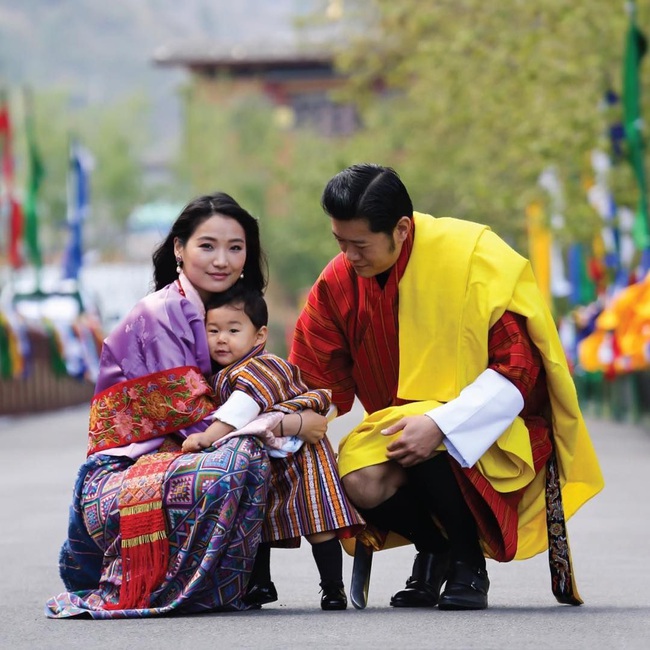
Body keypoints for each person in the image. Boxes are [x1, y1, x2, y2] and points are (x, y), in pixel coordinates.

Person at [289, 163, 604, 611]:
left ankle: (467, 561)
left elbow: (517, 369)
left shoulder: (471, 257)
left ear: (401, 229)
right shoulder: (338, 281)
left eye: (359, 244)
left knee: (426, 435)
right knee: (355, 480)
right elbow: (314, 380)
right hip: (398, 435)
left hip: (491, 429)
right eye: (340, 242)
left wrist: (441, 421)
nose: (348, 256)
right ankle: (437, 548)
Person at [45, 191, 360, 618]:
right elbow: (203, 428)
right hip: (127, 473)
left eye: (235, 247)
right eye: (207, 246)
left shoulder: (219, 311)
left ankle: (260, 580)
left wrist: (295, 418)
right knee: (240, 454)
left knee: (285, 455)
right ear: (179, 248)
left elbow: (254, 393)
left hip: (182, 458)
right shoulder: (161, 315)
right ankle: (216, 580)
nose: (222, 260)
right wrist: (291, 423)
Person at [180, 288, 349, 609]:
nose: (221, 339)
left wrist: (208, 437)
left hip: (302, 456)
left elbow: (244, 406)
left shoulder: (261, 366)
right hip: (264, 460)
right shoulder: (221, 374)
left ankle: (333, 588)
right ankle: (260, 584)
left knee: (317, 523)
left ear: (259, 336)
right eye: (213, 331)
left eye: (233, 330)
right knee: (254, 520)